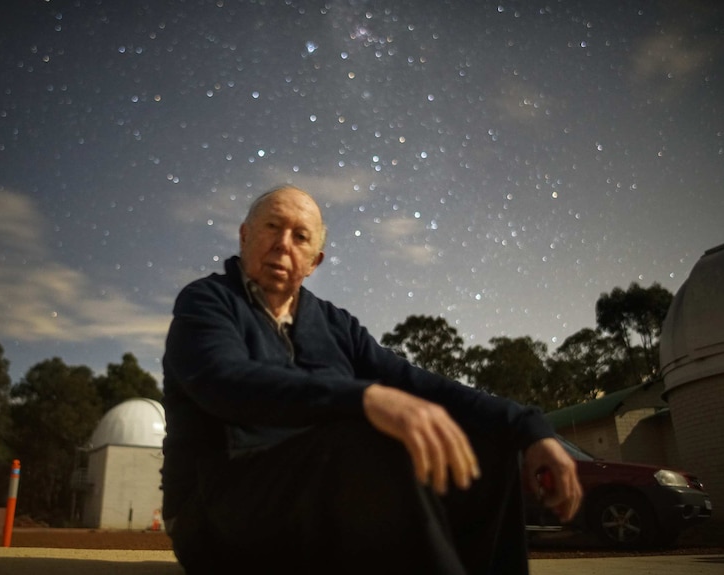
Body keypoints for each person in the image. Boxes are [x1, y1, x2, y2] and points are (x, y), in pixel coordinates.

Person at [161, 185, 582, 575]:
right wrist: (366, 398)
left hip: (320, 503)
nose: (282, 244)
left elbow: (418, 384)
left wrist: (528, 428)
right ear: (244, 235)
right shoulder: (207, 302)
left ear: (314, 262)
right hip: (216, 511)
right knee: (366, 437)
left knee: (488, 447)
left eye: (300, 236)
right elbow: (224, 382)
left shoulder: (335, 324)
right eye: (272, 227)